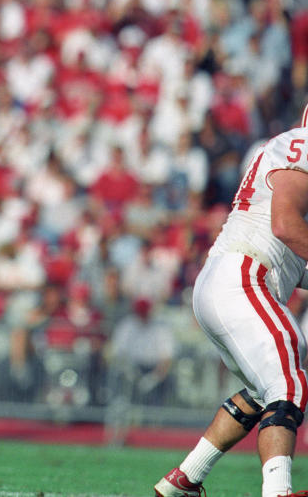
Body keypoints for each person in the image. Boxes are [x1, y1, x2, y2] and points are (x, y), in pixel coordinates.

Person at [153, 113, 308, 497]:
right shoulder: (303, 146)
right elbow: (285, 225)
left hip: (226, 279)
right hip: (244, 275)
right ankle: (277, 491)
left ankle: (185, 479)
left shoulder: (289, 148)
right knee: (288, 382)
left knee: (262, 390)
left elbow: (294, 257)